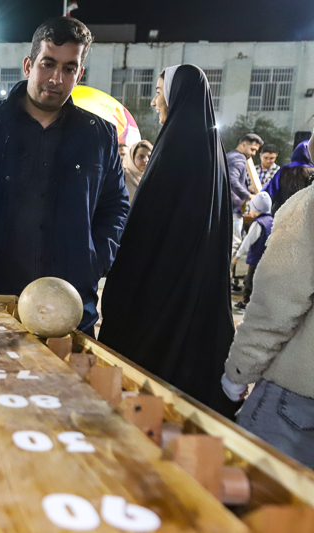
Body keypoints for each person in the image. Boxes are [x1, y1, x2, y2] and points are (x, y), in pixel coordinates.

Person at [0, 17, 128, 334]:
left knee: (66, 369)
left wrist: (94, 259)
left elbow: (115, 205)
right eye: (48, 64)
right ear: (28, 65)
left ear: (79, 74)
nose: (56, 78)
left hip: (69, 304)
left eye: (69, 68)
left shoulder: (99, 135)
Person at [99, 65, 236, 416]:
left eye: (160, 92)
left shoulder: (176, 146)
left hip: (160, 288)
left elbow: (148, 226)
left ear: (177, 96)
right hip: (196, 288)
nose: (154, 100)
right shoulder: (212, 148)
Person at [221, 128, 314, 468]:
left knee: (258, 489)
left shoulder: (307, 207)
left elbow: (277, 303)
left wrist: (239, 371)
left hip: (298, 394)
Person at [232, 191, 273, 311]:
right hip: (268, 259)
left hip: (256, 259)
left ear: (257, 209)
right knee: (263, 282)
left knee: (249, 281)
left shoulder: (258, 223)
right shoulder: (272, 221)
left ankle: (246, 303)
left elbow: (247, 241)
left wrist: (237, 257)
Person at [228, 133, 263, 255]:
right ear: (243, 144)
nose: (254, 153)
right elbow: (232, 181)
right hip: (232, 209)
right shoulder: (238, 158)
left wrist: (247, 188)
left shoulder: (231, 156)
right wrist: (249, 196)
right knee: (234, 244)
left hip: (230, 208)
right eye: (252, 149)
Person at [263, 140, 313, 214]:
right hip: (304, 215)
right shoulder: (311, 172)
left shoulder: (283, 170)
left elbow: (270, 193)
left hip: (281, 214)